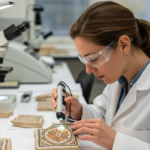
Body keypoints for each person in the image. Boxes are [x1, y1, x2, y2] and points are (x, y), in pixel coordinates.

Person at [51, 1, 150, 150]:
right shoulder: (119, 78)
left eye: (94, 59)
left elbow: (113, 133)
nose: (88, 70)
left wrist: (118, 142)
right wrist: (79, 111)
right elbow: (105, 116)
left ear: (123, 45)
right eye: (84, 59)